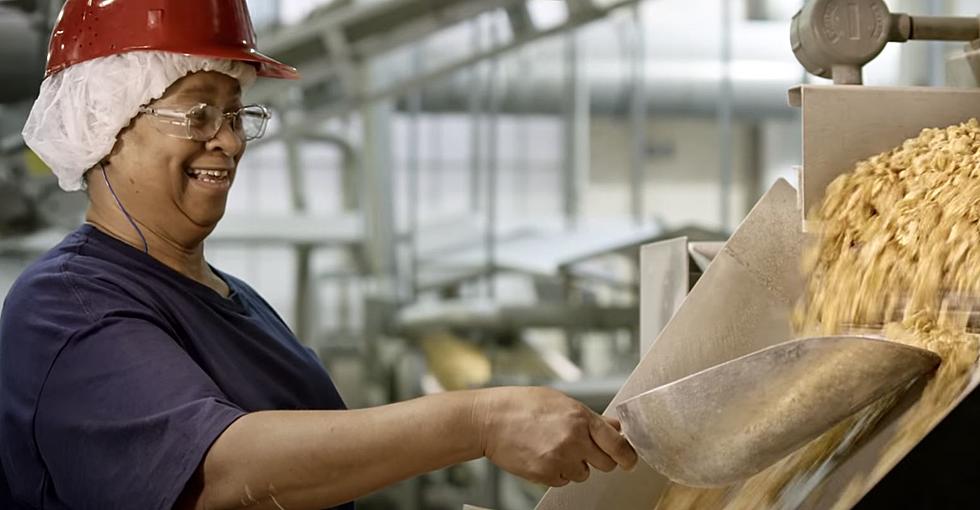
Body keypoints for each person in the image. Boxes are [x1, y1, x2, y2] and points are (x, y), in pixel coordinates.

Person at [0, 2, 637, 509]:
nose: (227, 141)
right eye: (197, 113)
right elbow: (221, 477)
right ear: (101, 125)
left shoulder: (236, 300)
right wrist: (479, 419)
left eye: (235, 113)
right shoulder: (66, 306)